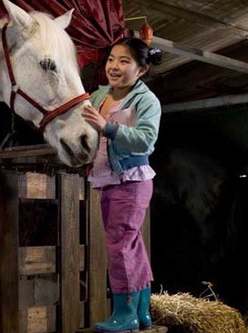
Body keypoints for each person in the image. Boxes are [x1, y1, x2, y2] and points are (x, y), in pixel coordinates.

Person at [81, 37, 163, 333]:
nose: (114, 66)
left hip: (131, 181)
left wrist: (107, 127)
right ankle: (141, 311)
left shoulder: (147, 100)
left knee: (119, 245)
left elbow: (145, 140)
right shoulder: (100, 93)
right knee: (130, 243)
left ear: (141, 70)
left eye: (124, 61)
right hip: (108, 179)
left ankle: (125, 313)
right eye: (111, 59)